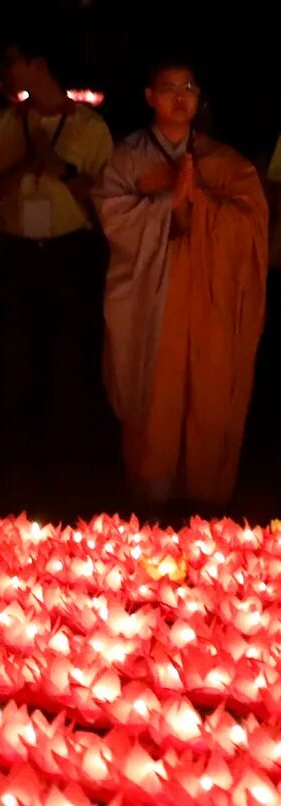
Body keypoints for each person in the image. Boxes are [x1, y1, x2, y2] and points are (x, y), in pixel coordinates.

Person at [95, 63, 268, 504]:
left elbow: (252, 225)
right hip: (150, 296)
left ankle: (206, 495)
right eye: (169, 89)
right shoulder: (128, 156)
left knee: (209, 386)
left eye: (188, 88)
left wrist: (203, 205)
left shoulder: (226, 163)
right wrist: (169, 203)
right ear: (149, 96)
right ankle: (151, 491)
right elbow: (113, 215)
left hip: (209, 298)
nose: (179, 98)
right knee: (152, 391)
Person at [0, 46, 114, 448]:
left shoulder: (89, 127)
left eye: (10, 62)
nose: (4, 72)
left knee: (67, 350)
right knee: (14, 351)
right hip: (16, 250)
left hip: (70, 250)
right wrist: (21, 168)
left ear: (39, 64)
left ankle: (66, 447)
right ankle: (14, 450)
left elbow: (108, 199)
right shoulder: (3, 124)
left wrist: (59, 168)